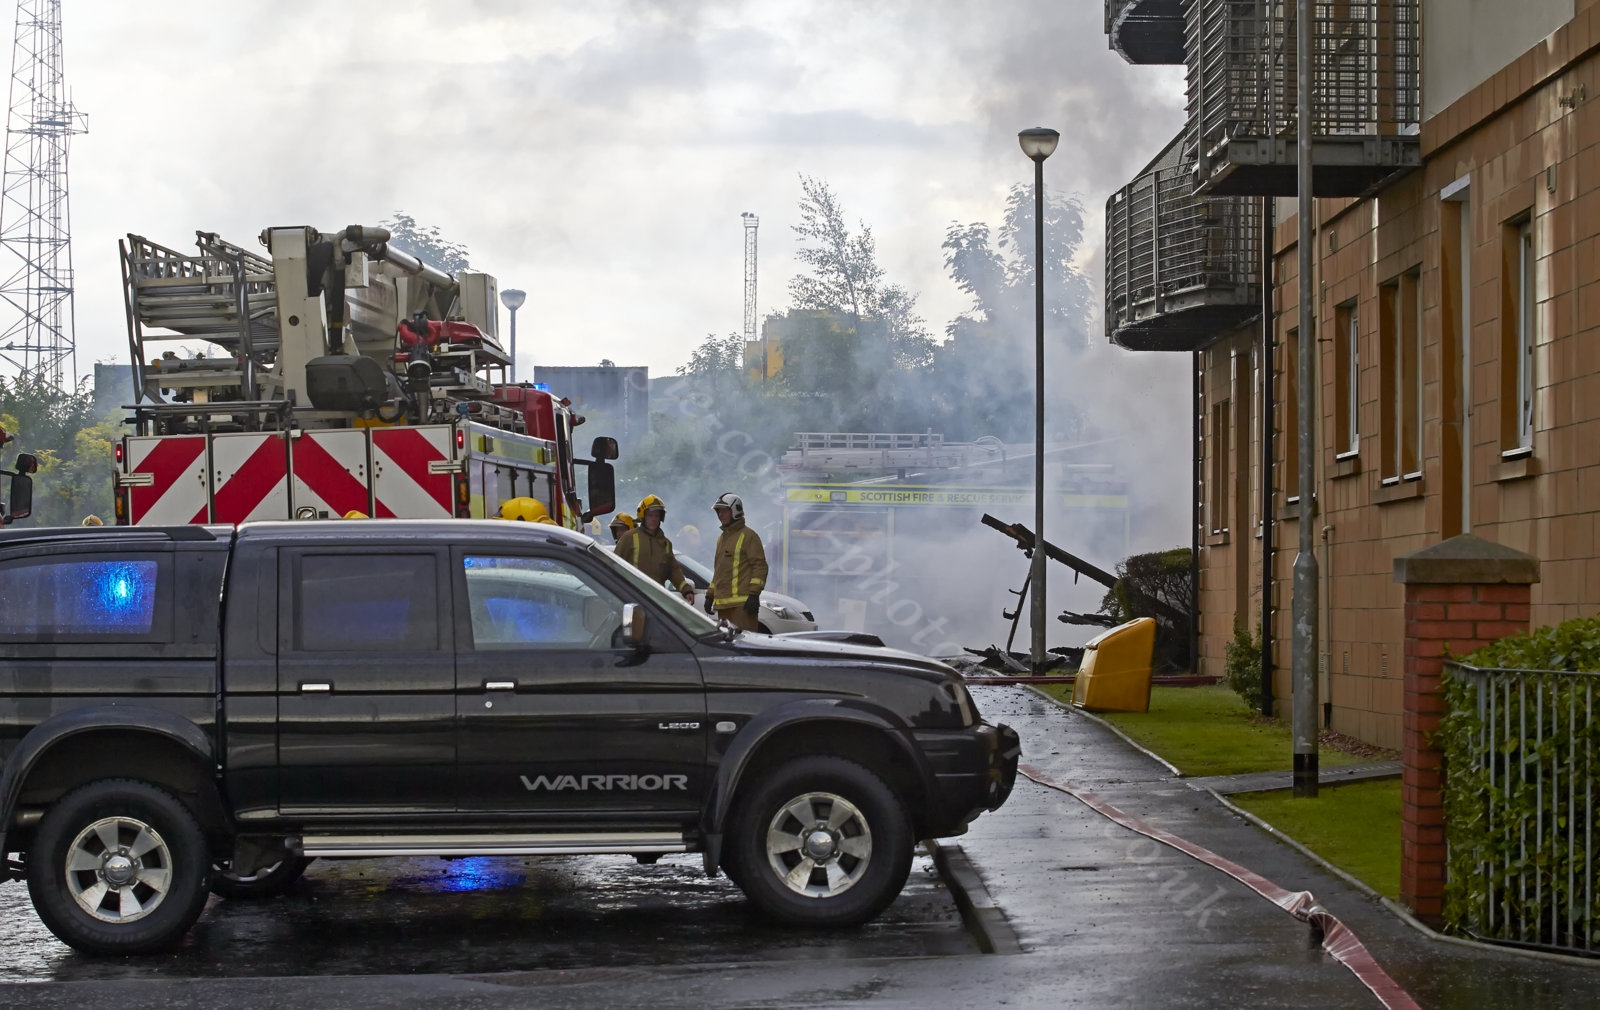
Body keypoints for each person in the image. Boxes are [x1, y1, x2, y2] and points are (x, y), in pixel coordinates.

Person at [616, 495, 695, 603]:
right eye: (650, 515)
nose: (654, 519)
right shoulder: (629, 537)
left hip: (657, 601)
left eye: (657, 515)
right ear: (643, 516)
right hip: (634, 597)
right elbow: (614, 564)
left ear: (661, 518)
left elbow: (674, 570)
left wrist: (686, 590)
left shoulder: (665, 543)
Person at [708, 492, 767, 632]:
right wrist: (710, 595)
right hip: (723, 606)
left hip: (742, 607)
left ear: (735, 511)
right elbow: (719, 572)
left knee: (745, 646)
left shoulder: (749, 536)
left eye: (724, 511)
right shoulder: (722, 539)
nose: (721, 515)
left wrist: (754, 595)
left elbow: (760, 567)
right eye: (719, 511)